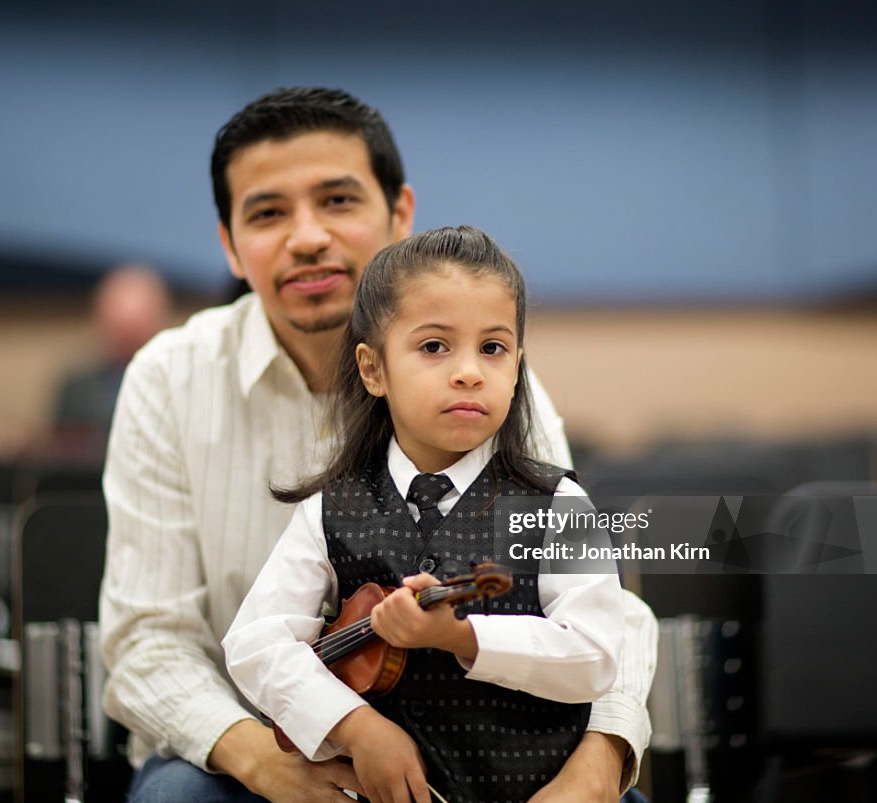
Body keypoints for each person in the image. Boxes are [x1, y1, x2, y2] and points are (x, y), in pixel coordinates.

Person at [99, 87, 656, 802]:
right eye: (268, 213)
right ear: (230, 245)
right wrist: (270, 758)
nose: (306, 237)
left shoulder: (481, 387)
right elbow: (150, 640)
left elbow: (605, 612)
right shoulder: (167, 378)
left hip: (497, 744)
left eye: (337, 201)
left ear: (399, 216)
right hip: (253, 746)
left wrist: (599, 761)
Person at [224, 226, 625, 803]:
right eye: (434, 346)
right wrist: (355, 727)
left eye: (493, 348)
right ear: (373, 369)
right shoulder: (328, 507)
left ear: (517, 369)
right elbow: (257, 643)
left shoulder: (559, 503)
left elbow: (597, 655)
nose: (469, 371)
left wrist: (465, 637)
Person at [52, 263, 171, 434]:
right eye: (122, 329)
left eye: (136, 329)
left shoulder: (175, 383)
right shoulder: (77, 386)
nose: (128, 339)